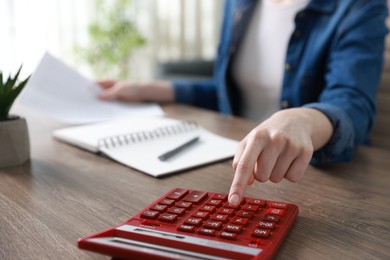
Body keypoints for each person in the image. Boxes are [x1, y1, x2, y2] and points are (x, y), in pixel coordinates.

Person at [96, 0, 388, 205]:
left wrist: (303, 119)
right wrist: (153, 89)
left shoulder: (359, 5)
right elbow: (229, 91)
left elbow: (354, 104)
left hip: (312, 180)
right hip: (230, 158)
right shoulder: (239, 4)